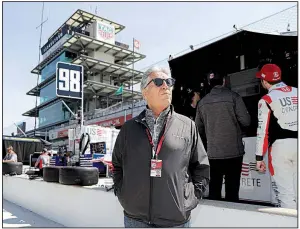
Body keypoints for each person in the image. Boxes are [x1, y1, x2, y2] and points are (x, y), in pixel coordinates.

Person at [112, 66, 210, 228]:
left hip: (176, 221)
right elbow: (117, 165)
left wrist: (188, 199)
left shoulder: (188, 126)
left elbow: (201, 167)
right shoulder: (128, 129)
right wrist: (124, 195)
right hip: (135, 220)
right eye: (158, 82)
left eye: (169, 82)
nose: (165, 86)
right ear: (144, 92)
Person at [195, 71, 251, 202]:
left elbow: (198, 129)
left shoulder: (202, 103)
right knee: (232, 191)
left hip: (213, 153)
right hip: (234, 152)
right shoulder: (234, 97)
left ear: (209, 83)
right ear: (224, 81)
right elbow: (246, 121)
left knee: (214, 190)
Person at [255, 63, 297, 209]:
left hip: (281, 148)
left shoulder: (266, 99)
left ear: (265, 81)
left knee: (286, 195)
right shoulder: (297, 92)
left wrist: (259, 158)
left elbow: (262, 131)